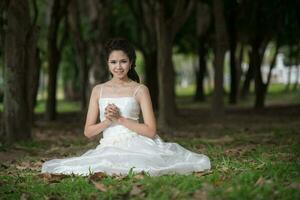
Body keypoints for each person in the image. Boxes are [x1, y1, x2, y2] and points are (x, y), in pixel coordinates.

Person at [41, 38, 211, 176]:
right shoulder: (98, 91)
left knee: (139, 167)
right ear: (107, 64)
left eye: (123, 61)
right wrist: (108, 122)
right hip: (108, 146)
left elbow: (151, 131)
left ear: (131, 63)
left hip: (138, 144)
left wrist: (120, 119)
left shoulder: (140, 90)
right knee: (92, 167)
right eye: (113, 62)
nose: (118, 66)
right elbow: (88, 132)